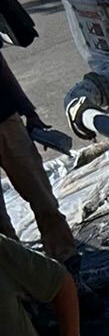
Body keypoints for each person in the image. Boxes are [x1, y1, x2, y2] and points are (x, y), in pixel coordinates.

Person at [0, 48, 75, 264]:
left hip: (6, 122)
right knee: (1, 226)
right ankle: (20, 284)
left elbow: (2, 68)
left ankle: (67, 263)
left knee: (44, 200)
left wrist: (29, 112)